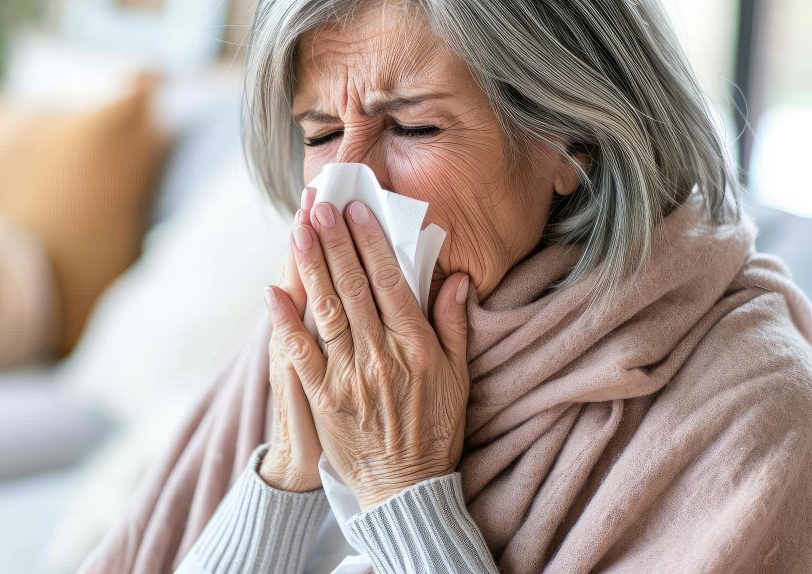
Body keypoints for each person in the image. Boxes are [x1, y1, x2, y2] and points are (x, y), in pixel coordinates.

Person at [79, 0, 812, 572]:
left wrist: (400, 488)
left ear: (574, 139)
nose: (344, 192)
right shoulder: (322, 336)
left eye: (414, 127)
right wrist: (280, 483)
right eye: (321, 135)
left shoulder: (751, 419)